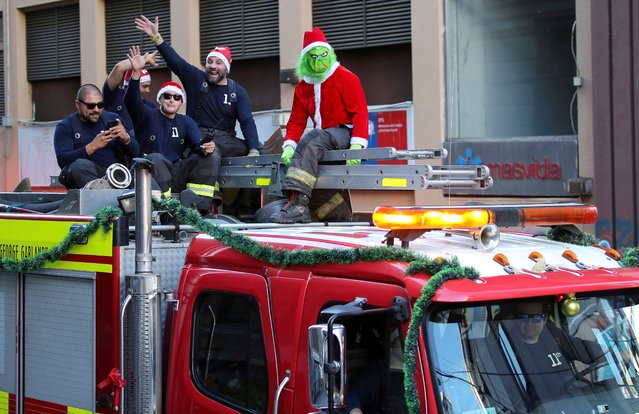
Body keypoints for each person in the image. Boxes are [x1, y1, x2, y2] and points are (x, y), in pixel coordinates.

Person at [134, 15, 261, 206]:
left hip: (227, 139)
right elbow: (175, 61)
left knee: (258, 149)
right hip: (197, 136)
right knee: (211, 153)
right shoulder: (196, 78)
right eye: (210, 62)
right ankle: (203, 203)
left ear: (226, 68)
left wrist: (254, 150)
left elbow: (247, 122)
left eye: (219, 63)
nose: (213, 67)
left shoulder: (237, 92)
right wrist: (156, 37)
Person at [273, 27, 369, 224]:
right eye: (313, 56)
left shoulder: (345, 77)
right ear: (305, 59)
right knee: (321, 187)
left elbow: (360, 112)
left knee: (312, 139)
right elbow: (297, 120)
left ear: (330, 53)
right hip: (323, 138)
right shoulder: (302, 87)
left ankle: (299, 204)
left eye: (323, 55)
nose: (319, 60)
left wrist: (357, 144)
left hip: (344, 132)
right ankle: (342, 219)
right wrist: (290, 145)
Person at [125, 46, 217, 213]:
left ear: (181, 102)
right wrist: (136, 73)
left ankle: (199, 208)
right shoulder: (148, 115)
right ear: (160, 99)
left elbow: (197, 145)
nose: (171, 100)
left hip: (177, 171)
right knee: (155, 157)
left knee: (211, 156)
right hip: (151, 176)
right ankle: (166, 209)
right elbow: (131, 101)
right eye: (167, 96)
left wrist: (205, 147)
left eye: (176, 97)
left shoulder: (186, 122)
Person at [501, 299, 604, 410]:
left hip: (573, 402)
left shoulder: (553, 335)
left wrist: (612, 354)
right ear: (516, 319)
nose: (529, 324)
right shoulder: (507, 345)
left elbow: (588, 351)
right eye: (524, 318)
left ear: (544, 319)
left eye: (536, 318)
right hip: (539, 408)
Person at [54, 84, 140, 189]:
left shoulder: (113, 119)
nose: (96, 110)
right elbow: (63, 161)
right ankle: (104, 197)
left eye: (100, 105)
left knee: (147, 166)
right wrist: (91, 147)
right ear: (78, 104)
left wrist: (126, 139)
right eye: (91, 106)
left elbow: (136, 153)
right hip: (89, 177)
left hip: (118, 176)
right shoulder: (66, 126)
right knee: (79, 166)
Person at [102, 51, 158, 137]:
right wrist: (145, 59)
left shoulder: (149, 106)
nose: (148, 90)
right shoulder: (114, 96)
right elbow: (119, 68)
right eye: (144, 86)